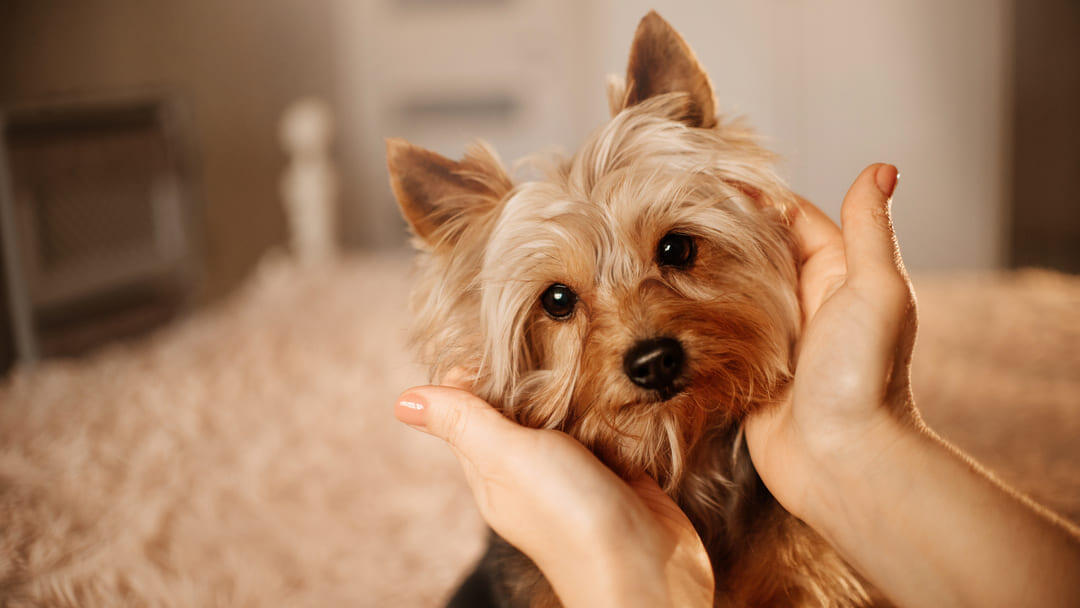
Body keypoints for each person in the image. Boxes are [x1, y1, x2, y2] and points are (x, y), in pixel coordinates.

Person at [393, 164, 1080, 607]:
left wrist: (860, 436)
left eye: (675, 252)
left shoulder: (817, 530)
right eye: (562, 303)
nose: (642, 335)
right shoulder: (523, 576)